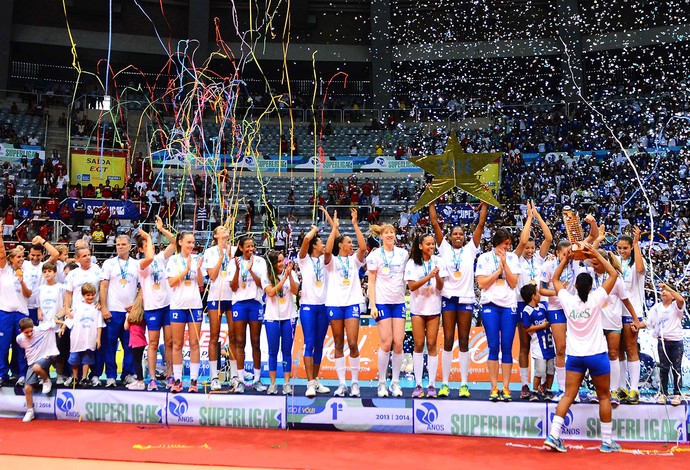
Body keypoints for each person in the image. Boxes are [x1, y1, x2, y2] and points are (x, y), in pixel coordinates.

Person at [544, 245, 621, 453]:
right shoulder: (596, 298)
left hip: (575, 356)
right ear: (590, 287)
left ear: (576, 287)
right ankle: (606, 441)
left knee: (568, 395)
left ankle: (553, 435)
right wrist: (596, 254)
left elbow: (556, 281)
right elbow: (613, 273)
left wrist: (565, 260)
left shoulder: (568, 300)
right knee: (604, 396)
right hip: (596, 355)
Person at [429, 201, 487, 398]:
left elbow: (480, 225)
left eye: (461, 234)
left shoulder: (471, 249)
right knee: (447, 340)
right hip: (448, 298)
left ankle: (463, 384)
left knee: (463, 341)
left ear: (465, 237)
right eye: (455, 234)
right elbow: (435, 224)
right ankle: (444, 383)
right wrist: (430, 202)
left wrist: (485, 205)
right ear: (450, 237)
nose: (458, 236)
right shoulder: (444, 249)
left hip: (466, 299)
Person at [588, 246, 641, 406]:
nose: (594, 266)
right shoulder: (590, 275)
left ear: (605, 263)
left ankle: (614, 391)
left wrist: (636, 320)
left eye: (596, 264)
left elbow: (627, 302)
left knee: (613, 354)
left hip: (613, 322)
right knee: (597, 356)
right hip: (595, 323)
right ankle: (600, 390)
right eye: (592, 263)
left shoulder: (616, 280)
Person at [323, 208, 367, 397]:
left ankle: (355, 382)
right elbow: (326, 250)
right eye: (349, 242)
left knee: (354, 343)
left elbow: (363, 248)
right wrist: (335, 228)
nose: (352, 245)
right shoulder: (331, 260)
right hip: (334, 304)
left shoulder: (354, 261)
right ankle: (342, 384)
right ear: (341, 245)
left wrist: (355, 225)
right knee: (339, 343)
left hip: (352, 304)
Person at [515, 201, 552, 399]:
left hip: (540, 303)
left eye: (532, 247)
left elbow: (549, 237)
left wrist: (537, 216)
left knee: (544, 344)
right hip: (522, 305)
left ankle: (543, 385)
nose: (529, 250)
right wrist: (528, 219)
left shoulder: (539, 259)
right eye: (527, 247)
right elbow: (522, 241)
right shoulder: (516, 259)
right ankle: (524, 384)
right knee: (524, 345)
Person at [367, 223, 409, 398]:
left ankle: (396, 382)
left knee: (398, 343)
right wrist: (373, 305)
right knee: (386, 342)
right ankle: (381, 382)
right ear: (381, 236)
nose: (390, 235)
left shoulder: (403, 254)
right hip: (383, 303)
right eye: (387, 233)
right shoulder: (374, 255)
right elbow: (371, 281)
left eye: (392, 232)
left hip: (398, 302)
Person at [405, 233, 448, 398]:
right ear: (420, 246)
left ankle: (431, 385)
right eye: (428, 244)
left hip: (434, 308)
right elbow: (412, 287)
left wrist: (436, 276)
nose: (431, 247)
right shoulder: (411, 263)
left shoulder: (439, 261)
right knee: (418, 345)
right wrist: (428, 276)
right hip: (417, 309)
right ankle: (417, 384)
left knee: (431, 345)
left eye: (433, 244)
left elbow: (441, 286)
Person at [137, 216, 176, 390]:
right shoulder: (141, 264)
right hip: (152, 308)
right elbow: (150, 257)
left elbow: (175, 243)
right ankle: (152, 377)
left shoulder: (161, 258)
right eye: (146, 246)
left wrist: (161, 230)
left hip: (167, 306)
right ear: (141, 249)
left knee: (169, 343)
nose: (150, 248)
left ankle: (170, 374)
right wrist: (149, 238)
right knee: (152, 344)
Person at [166, 232, 204, 393]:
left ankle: (194, 381)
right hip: (178, 306)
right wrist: (186, 270)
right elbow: (172, 282)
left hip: (195, 305)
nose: (191, 245)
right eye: (188, 242)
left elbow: (201, 284)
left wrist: (199, 269)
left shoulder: (197, 260)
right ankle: (178, 379)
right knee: (177, 344)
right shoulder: (173, 260)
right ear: (180, 242)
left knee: (195, 344)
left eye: (192, 243)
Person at [229, 235, 268, 393]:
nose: (251, 249)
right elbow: (232, 287)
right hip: (239, 303)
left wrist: (251, 270)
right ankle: (240, 379)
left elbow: (262, 285)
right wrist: (239, 270)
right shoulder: (233, 262)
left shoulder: (260, 261)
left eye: (253, 246)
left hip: (255, 303)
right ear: (241, 247)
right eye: (248, 246)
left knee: (256, 342)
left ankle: (257, 379)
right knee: (239, 342)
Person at [100, 234, 139, 387]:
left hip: (130, 312)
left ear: (130, 246)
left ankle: (127, 374)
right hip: (112, 311)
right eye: (118, 245)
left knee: (129, 345)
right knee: (110, 346)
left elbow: (142, 287)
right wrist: (103, 307)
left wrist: (136, 305)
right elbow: (103, 286)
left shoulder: (136, 264)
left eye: (123, 244)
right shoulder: (109, 264)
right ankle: (110, 375)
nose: (120, 247)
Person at [202, 225, 237, 391]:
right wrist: (222, 257)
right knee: (214, 337)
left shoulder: (235, 249)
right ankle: (214, 377)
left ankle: (235, 376)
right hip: (215, 297)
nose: (225, 230)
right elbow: (213, 275)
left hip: (233, 298)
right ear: (216, 235)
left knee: (235, 337)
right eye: (221, 229)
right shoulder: (210, 252)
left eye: (226, 228)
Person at [298, 224, 331, 397]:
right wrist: (314, 230)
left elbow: (333, 244)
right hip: (308, 307)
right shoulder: (303, 260)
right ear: (314, 246)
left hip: (324, 306)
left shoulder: (326, 260)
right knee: (309, 343)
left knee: (319, 345)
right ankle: (309, 383)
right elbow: (305, 239)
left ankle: (316, 380)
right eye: (320, 243)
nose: (323, 245)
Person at [63, 245, 102, 386]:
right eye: (84, 255)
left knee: (90, 347)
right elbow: (68, 293)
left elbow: (104, 287)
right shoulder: (73, 274)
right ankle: (74, 376)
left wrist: (102, 303)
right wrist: (67, 309)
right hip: (77, 314)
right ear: (77, 259)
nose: (88, 257)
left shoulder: (97, 270)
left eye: (89, 254)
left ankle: (92, 376)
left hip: (92, 313)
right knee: (75, 346)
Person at [615, 227, 646, 404]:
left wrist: (636, 243)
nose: (622, 251)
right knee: (617, 350)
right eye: (619, 248)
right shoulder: (616, 261)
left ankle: (634, 389)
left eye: (625, 248)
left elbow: (640, 269)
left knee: (631, 348)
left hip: (632, 312)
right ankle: (621, 388)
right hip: (616, 312)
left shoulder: (636, 262)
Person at [262, 250, 299, 394]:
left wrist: (289, 276)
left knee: (287, 352)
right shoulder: (266, 276)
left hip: (289, 317)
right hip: (272, 317)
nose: (281, 264)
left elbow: (296, 291)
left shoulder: (291, 273)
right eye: (278, 261)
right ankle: (272, 383)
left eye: (283, 261)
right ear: (272, 263)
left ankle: (287, 383)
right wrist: (283, 279)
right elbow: (270, 292)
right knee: (272, 351)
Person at [0, 231, 32, 386]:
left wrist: (22, 282)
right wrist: (0, 234)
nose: (21, 259)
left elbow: (28, 294)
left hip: (21, 314)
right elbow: (1, 253)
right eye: (18, 257)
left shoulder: (27, 273)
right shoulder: (4, 271)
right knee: (3, 346)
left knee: (21, 347)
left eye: (22, 257)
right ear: (10, 259)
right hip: (5, 313)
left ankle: (20, 374)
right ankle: (2, 374)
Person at [645, 283, 685, 406]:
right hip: (662, 342)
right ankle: (663, 393)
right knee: (664, 368)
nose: (663, 292)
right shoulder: (656, 308)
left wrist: (668, 287)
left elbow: (681, 299)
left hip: (676, 342)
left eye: (667, 291)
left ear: (672, 295)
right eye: (662, 290)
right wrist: (636, 325)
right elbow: (648, 323)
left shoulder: (676, 306)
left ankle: (677, 394)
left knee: (676, 369)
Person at [15, 317, 59, 422]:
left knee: (37, 367)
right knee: (27, 388)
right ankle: (30, 411)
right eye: (26, 332)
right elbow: (25, 347)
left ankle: (46, 380)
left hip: (47, 356)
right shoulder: (19, 339)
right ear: (21, 331)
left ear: (34, 327)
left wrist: (66, 322)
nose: (30, 334)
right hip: (32, 361)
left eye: (31, 331)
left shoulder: (41, 329)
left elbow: (53, 322)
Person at [62, 283, 104, 388]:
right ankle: (75, 378)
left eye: (92, 295)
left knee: (87, 359)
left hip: (90, 338)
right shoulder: (77, 306)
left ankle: (84, 378)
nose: (90, 297)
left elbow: (99, 324)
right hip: (77, 339)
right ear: (83, 295)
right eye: (88, 295)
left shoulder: (96, 308)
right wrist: (63, 327)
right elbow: (70, 319)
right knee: (75, 360)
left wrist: (98, 338)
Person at [520, 284, 555, 401]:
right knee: (540, 371)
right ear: (533, 296)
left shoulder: (543, 307)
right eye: (537, 293)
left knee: (551, 369)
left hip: (549, 344)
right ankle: (534, 391)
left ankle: (548, 390)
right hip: (538, 345)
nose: (540, 295)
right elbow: (527, 328)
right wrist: (542, 326)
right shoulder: (527, 311)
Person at [36, 262, 67, 384]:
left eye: (49, 271)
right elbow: (39, 305)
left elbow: (65, 306)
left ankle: (60, 375)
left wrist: (57, 317)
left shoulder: (61, 288)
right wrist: (38, 310)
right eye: (45, 271)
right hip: (44, 327)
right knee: (45, 354)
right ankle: (46, 377)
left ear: (54, 273)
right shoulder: (40, 289)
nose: (47, 273)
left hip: (57, 327)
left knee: (58, 353)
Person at [23, 236, 60, 325]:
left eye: (38, 255)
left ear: (43, 255)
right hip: (24, 306)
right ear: (28, 254)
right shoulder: (23, 264)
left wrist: (41, 240)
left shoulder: (45, 266)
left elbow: (55, 254)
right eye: (33, 255)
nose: (35, 258)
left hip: (39, 307)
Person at [124, 296, 147, 390]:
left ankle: (140, 381)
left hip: (135, 342)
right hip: (141, 342)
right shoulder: (143, 317)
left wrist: (126, 317)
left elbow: (126, 327)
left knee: (137, 362)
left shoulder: (131, 317)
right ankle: (138, 380)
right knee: (138, 361)